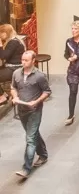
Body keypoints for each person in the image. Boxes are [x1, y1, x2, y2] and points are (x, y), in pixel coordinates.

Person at [11, 50, 51, 179]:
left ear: (33, 61)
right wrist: (15, 96)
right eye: (22, 60)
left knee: (30, 139)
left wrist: (37, 101)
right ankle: (43, 155)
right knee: (33, 134)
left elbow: (47, 91)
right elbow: (13, 87)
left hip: (35, 111)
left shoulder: (39, 76)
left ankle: (26, 169)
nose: (23, 62)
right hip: (22, 110)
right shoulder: (16, 73)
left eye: (26, 60)